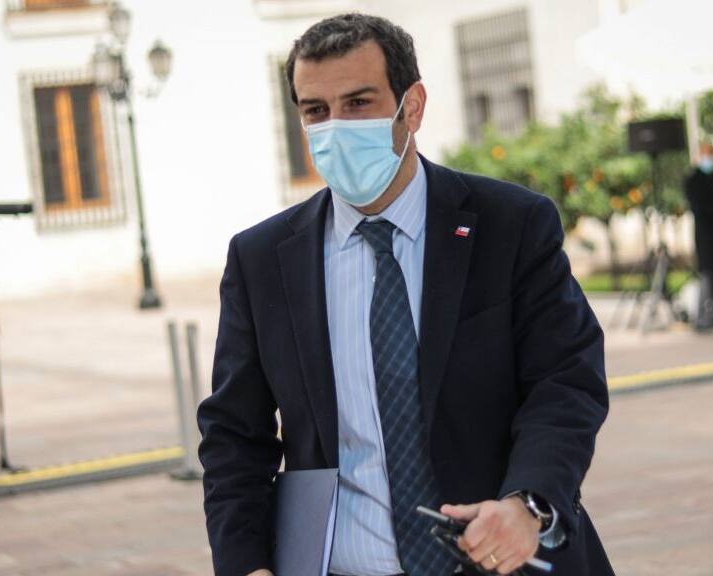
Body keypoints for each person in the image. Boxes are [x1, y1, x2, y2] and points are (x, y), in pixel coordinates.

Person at [198, 13, 613, 576]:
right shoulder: (262, 259)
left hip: (503, 558)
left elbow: (565, 381)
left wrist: (528, 504)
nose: (335, 126)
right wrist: (245, 563)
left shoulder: (510, 226)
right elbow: (234, 434)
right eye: (315, 110)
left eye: (359, 102)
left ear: (411, 106)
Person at [684, 142, 713, 328]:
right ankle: (701, 318)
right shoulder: (693, 180)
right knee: (707, 276)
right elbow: (700, 208)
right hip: (704, 237)